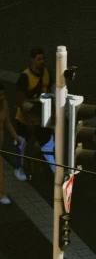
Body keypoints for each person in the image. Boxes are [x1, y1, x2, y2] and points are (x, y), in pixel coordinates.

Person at [13, 47, 55, 181]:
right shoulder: (25, 77)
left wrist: (52, 114)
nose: (42, 61)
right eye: (39, 59)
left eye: (43, 58)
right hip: (25, 118)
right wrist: (27, 121)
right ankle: (18, 168)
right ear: (33, 60)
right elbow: (20, 101)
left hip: (41, 116)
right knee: (20, 143)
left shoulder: (48, 73)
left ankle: (55, 168)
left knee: (48, 142)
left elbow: (50, 94)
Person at [0, 84, 22, 204]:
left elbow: (7, 122)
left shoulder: (5, 105)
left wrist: (15, 137)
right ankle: (1, 193)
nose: (2, 97)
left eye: (3, 94)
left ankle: (1, 194)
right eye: (0, 95)